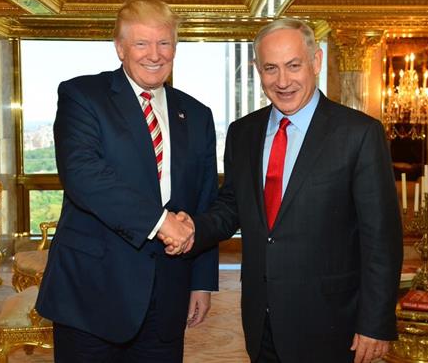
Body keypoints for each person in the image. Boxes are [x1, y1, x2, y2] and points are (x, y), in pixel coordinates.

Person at [164, 18, 403, 363]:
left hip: (332, 322)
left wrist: (376, 323)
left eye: (294, 66)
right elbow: (232, 205)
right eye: (270, 68)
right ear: (258, 71)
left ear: (316, 62)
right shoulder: (242, 132)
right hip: (261, 319)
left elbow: (381, 238)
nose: (283, 81)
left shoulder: (359, 134)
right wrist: (193, 229)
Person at [35, 0, 219, 362]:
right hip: (92, 294)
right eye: (141, 43)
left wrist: (201, 281)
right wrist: (161, 221)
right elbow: (84, 176)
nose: (155, 54)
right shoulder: (82, 96)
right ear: (120, 48)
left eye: (164, 43)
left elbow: (204, 199)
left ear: (175, 48)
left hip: (168, 294)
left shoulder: (197, 114)